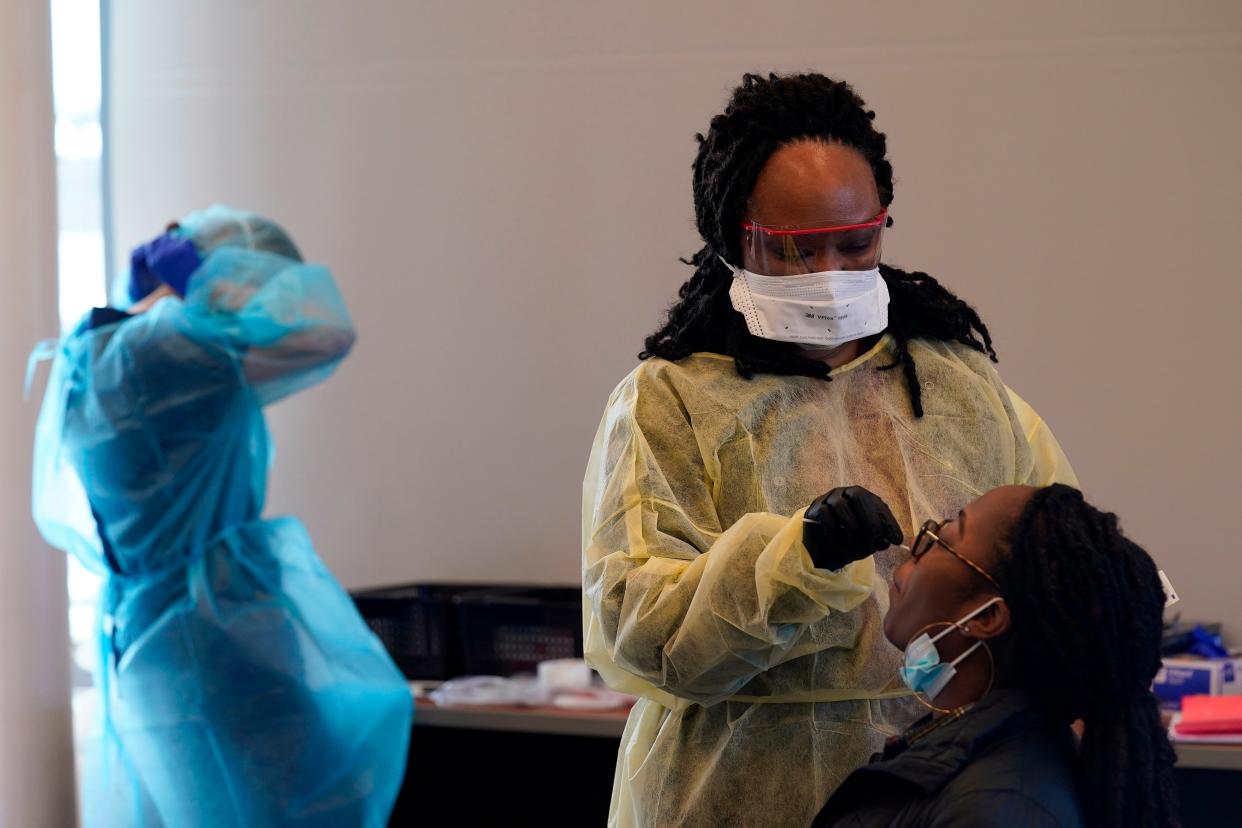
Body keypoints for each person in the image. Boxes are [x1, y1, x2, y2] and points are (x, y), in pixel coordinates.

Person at [581, 72, 1078, 827]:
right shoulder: (668, 403)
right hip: (734, 793)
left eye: (856, 244)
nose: (831, 276)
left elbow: (1056, 567)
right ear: (732, 239)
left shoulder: (960, 389)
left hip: (944, 789)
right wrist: (793, 558)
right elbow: (644, 635)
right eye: (795, 251)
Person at [32, 206, 412, 827]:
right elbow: (324, 335)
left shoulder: (92, 348)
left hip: (149, 641)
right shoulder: (172, 344)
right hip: (215, 638)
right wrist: (205, 283)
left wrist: (171, 290)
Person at [813, 484, 1179, 827]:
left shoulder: (994, 805)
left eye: (944, 539)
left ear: (987, 616)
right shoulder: (988, 767)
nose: (913, 544)